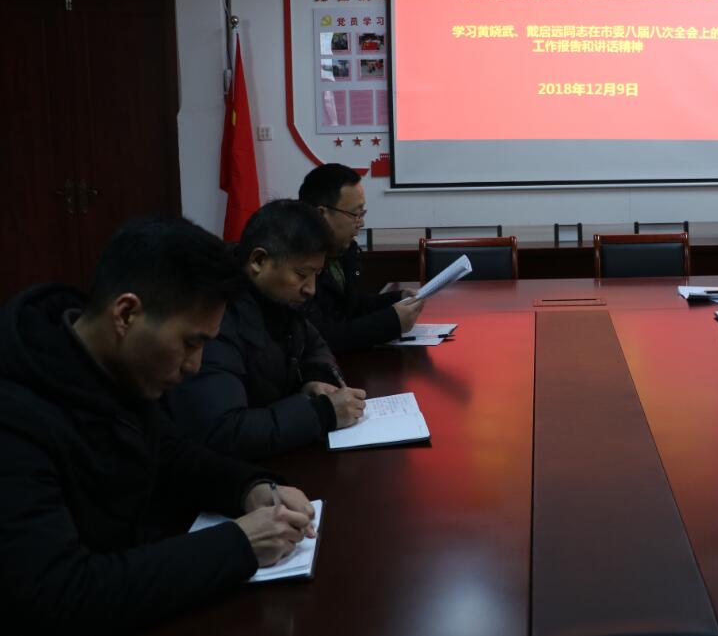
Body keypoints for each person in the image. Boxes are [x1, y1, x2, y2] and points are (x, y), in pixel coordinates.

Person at [0, 217, 317, 634]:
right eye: (190, 343)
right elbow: (60, 594)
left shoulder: (113, 363)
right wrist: (239, 545)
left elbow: (169, 453)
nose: (195, 366)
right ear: (126, 314)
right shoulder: (15, 414)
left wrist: (250, 487)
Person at [166, 200, 367, 460]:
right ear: (258, 261)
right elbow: (223, 431)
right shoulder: (216, 316)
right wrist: (320, 414)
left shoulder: (279, 300)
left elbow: (316, 343)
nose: (311, 289)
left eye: (317, 274)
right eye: (302, 274)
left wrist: (314, 379)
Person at [298, 163, 424, 353]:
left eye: (362, 213)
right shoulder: (299, 264)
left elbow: (353, 306)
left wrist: (398, 298)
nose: (361, 222)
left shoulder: (343, 251)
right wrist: (391, 322)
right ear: (322, 214)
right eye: (355, 214)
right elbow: (322, 337)